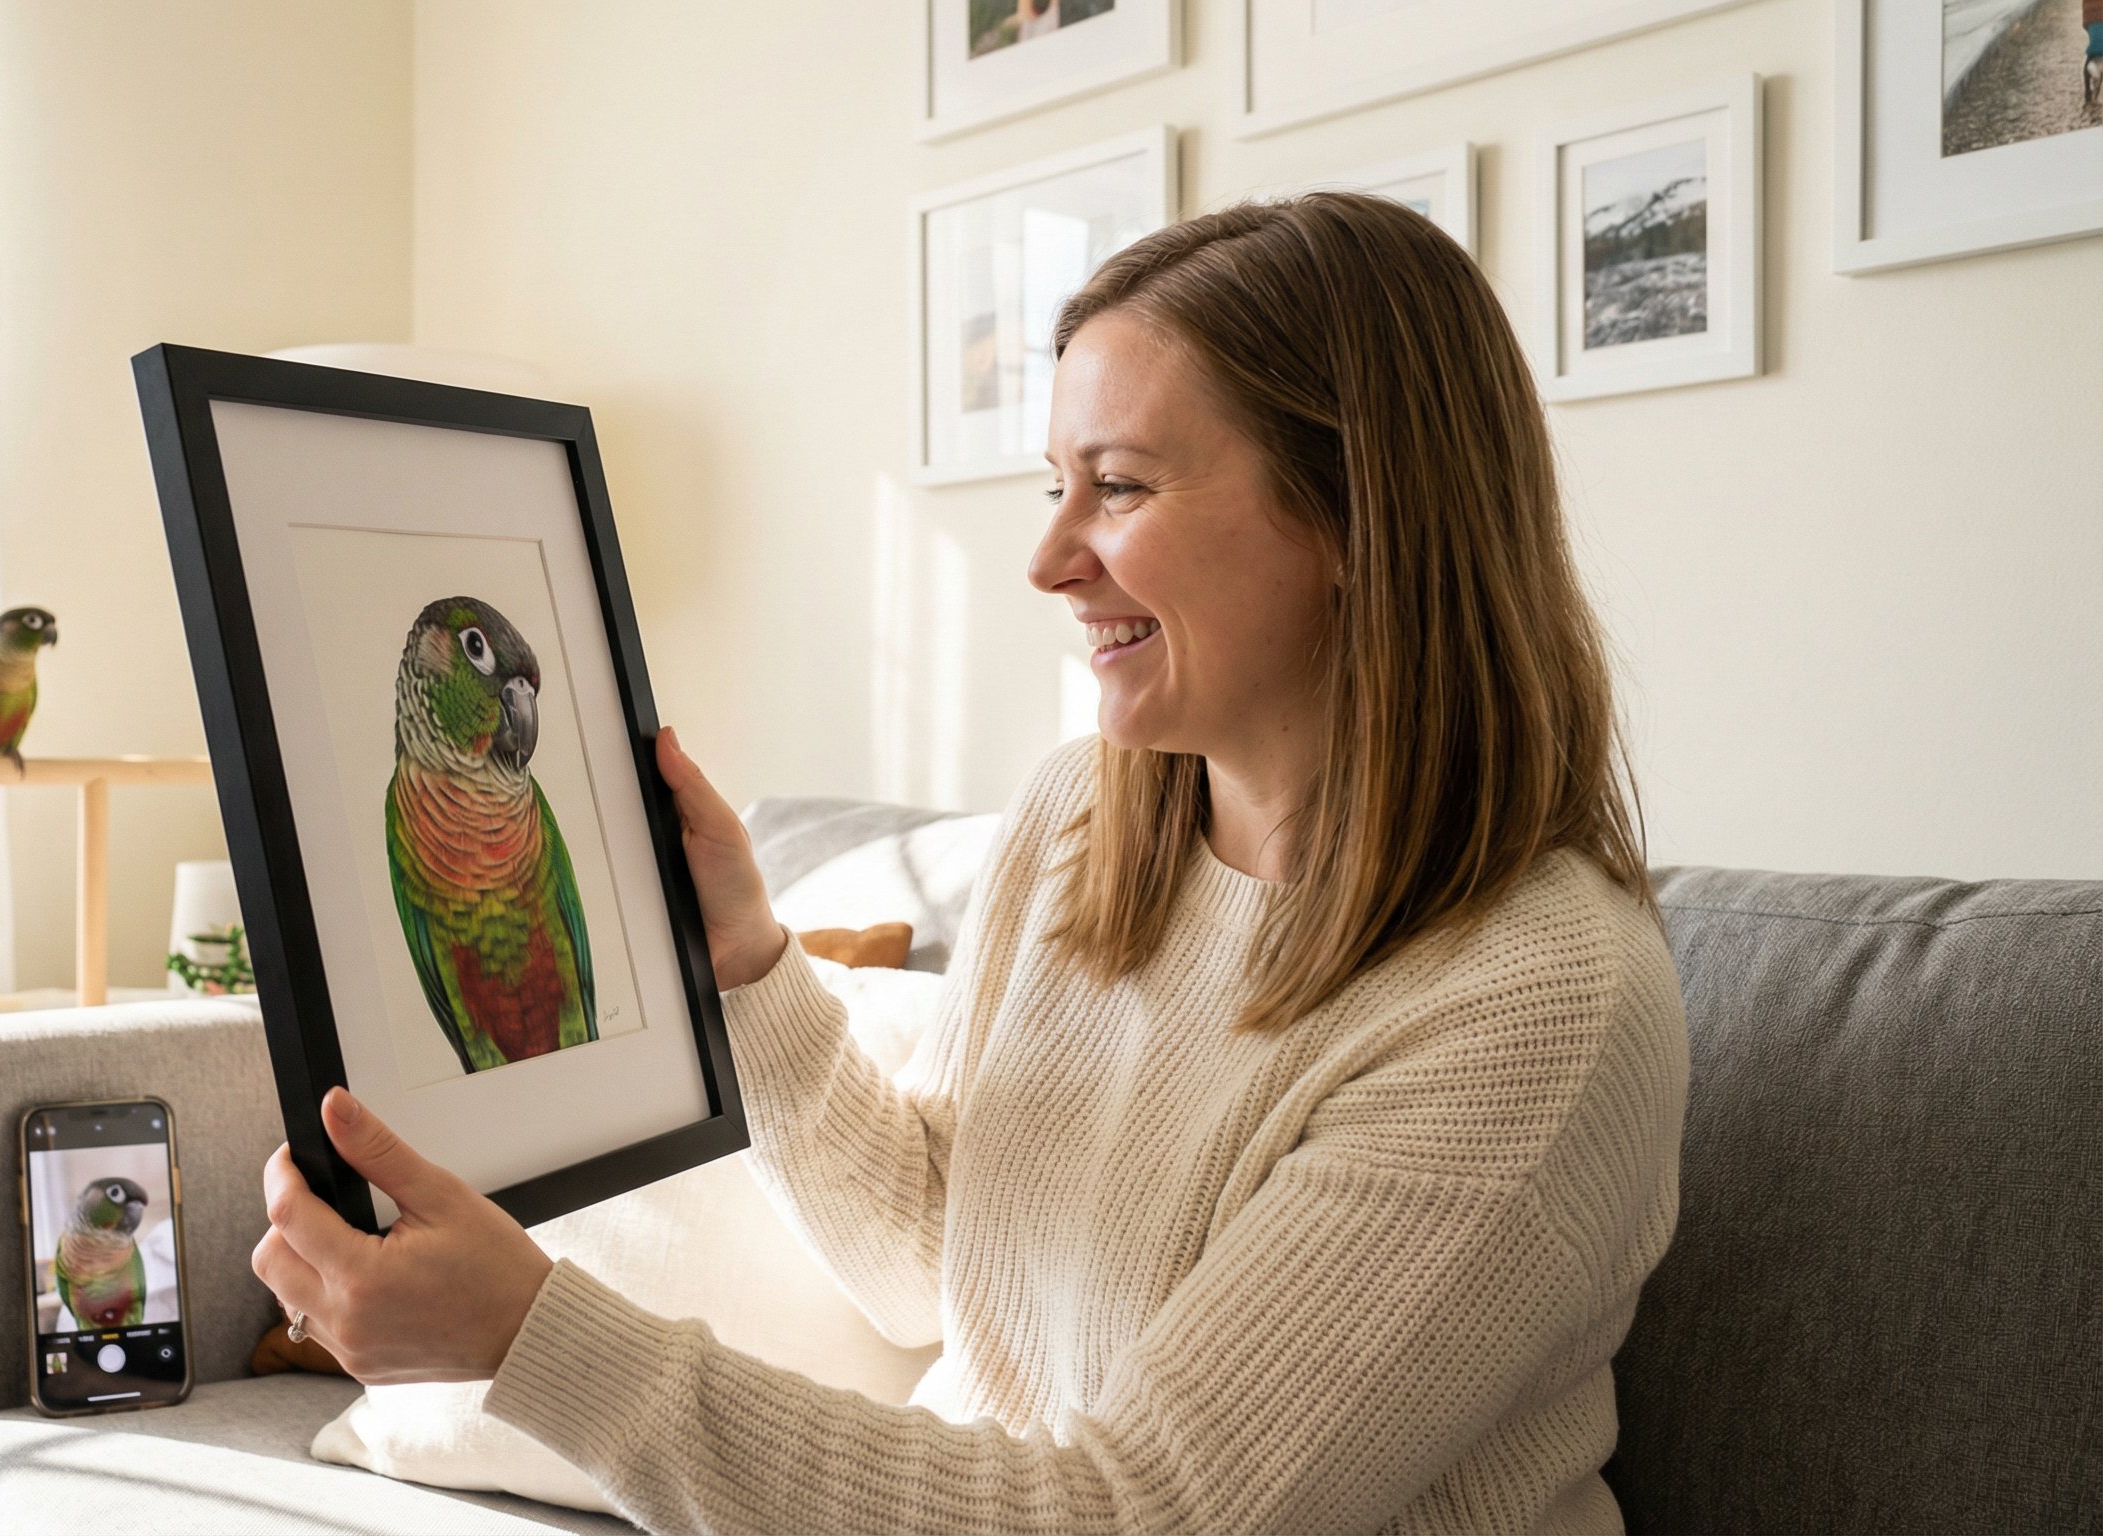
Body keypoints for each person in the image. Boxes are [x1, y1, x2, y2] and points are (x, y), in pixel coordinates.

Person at [249, 192, 1690, 1535]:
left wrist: (532, 1341)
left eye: (1118, 487)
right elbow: (929, 1266)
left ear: (1359, 521)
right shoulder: (1084, 821)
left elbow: (1134, 1517)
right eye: (1055, 485)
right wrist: (748, 964)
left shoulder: (1537, 1005)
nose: (1050, 559)